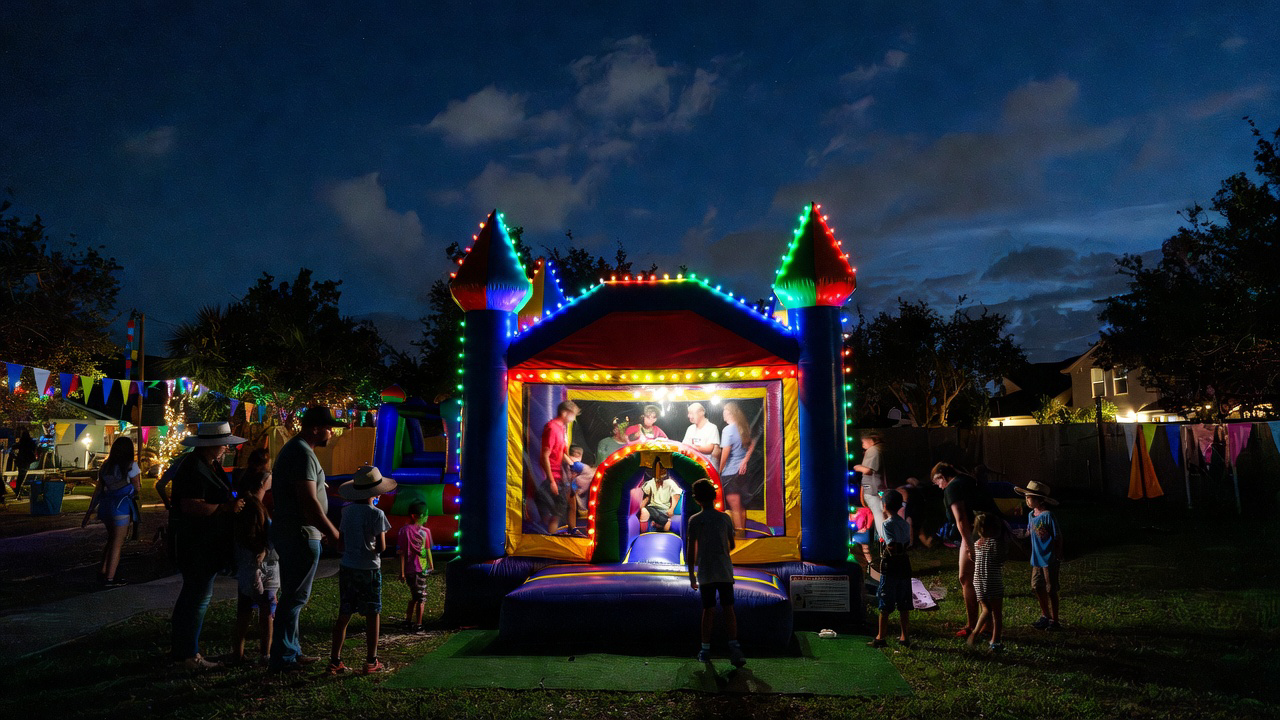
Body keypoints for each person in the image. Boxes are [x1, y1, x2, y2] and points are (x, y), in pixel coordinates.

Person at [269, 406, 345, 673]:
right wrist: (333, 532)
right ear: (314, 428)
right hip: (299, 532)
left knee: (295, 594)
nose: (331, 432)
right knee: (294, 596)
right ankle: (284, 656)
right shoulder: (302, 453)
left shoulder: (298, 450)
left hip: (296, 530)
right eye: (328, 427)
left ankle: (292, 650)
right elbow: (309, 501)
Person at [169, 422, 247, 671]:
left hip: (206, 542)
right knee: (197, 598)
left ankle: (183, 650)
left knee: (194, 596)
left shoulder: (208, 465)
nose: (227, 448)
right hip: (197, 544)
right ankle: (188, 655)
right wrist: (225, 507)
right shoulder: (194, 468)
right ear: (211, 444)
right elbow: (190, 505)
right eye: (224, 443)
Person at [327, 465, 395, 676]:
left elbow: (341, 544)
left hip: (348, 567)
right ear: (375, 492)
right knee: (372, 614)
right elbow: (381, 547)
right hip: (369, 569)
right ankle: (371, 660)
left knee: (344, 614)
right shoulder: (377, 514)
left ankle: (335, 660)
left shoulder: (346, 512)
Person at [930, 462, 1000, 639]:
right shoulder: (967, 480)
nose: (939, 487)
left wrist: (969, 546)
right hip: (989, 530)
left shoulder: (952, 488)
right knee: (974, 578)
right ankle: (981, 623)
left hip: (975, 533)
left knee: (970, 578)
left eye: (937, 482)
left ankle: (980, 625)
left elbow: (961, 519)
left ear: (942, 476)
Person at [685, 478, 745, 667]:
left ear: (696, 499)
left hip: (706, 572)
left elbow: (690, 552)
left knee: (708, 609)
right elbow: (731, 544)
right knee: (729, 609)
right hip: (724, 570)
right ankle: (735, 648)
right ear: (713, 496)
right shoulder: (725, 518)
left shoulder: (695, 520)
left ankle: (705, 650)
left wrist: (691, 576)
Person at [231, 449, 278, 665]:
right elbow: (271, 538)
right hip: (265, 569)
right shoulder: (260, 512)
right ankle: (265, 653)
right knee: (267, 609)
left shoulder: (239, 513)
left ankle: (238, 653)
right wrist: (265, 550)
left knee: (244, 609)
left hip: (245, 570)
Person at [81, 436, 143, 585]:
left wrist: (89, 511)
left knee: (111, 539)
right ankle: (110, 578)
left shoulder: (106, 466)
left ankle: (103, 572)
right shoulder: (131, 466)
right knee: (117, 543)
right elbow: (137, 487)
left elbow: (98, 489)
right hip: (121, 507)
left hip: (106, 506)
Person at [1016, 480, 1064, 631]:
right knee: (1037, 586)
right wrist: (1017, 533)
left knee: (1051, 589)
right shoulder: (1031, 515)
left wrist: (1058, 554)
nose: (1027, 500)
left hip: (1049, 558)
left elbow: (1057, 536)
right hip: (1036, 558)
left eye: (1029, 497)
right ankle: (1045, 615)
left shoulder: (1048, 516)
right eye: (1026, 497)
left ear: (1040, 500)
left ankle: (1055, 620)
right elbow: (1029, 531)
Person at [868, 491, 912, 648]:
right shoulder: (905, 524)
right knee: (904, 601)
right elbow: (907, 543)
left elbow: (892, 545)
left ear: (884, 505)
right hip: (905, 565)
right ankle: (904, 637)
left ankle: (881, 636)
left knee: (885, 600)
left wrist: (888, 551)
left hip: (891, 566)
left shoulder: (887, 524)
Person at [536, 400, 579, 535]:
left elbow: (561, 453)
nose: (573, 418)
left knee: (566, 505)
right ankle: (550, 537)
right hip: (554, 477)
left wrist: (572, 465)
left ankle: (570, 529)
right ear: (565, 413)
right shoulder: (552, 428)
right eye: (572, 415)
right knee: (556, 513)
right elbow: (545, 455)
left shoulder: (562, 428)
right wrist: (552, 481)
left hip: (561, 476)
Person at [969, 512, 1007, 652]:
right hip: (992, 581)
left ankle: (974, 633)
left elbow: (974, 559)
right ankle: (995, 641)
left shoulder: (976, 544)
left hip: (978, 582)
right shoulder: (995, 543)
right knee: (997, 614)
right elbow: (1000, 560)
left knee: (985, 609)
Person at [397, 499, 434, 633]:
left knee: (415, 596)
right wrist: (431, 565)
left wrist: (402, 572)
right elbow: (427, 549)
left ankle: (407, 621)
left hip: (410, 570)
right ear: (416, 516)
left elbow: (402, 552)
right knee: (421, 598)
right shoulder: (425, 532)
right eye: (425, 515)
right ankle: (418, 624)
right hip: (420, 569)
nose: (427, 517)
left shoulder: (403, 531)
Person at [717, 402, 752, 532]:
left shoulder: (728, 430)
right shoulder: (743, 427)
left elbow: (725, 452)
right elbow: (751, 444)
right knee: (741, 507)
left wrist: (719, 470)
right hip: (742, 472)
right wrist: (745, 460)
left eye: (725, 411)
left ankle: (739, 535)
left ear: (729, 413)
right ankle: (742, 532)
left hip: (730, 473)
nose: (723, 414)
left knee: (734, 507)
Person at [852, 431, 888, 541]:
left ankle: (884, 538)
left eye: (864, 442)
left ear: (871, 440)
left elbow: (868, 470)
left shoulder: (872, 450)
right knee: (882, 512)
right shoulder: (881, 449)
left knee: (878, 513)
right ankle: (885, 537)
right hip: (880, 487)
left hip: (872, 488)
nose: (862, 445)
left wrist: (858, 467)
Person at [637, 463, 683, 532]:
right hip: (652, 508)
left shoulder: (670, 483)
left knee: (665, 524)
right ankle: (659, 526)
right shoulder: (651, 482)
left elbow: (676, 495)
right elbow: (647, 497)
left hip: (664, 510)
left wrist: (672, 509)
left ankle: (662, 524)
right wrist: (641, 507)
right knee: (645, 511)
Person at [566, 445, 594, 517]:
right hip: (580, 488)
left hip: (578, 488)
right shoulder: (577, 464)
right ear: (579, 455)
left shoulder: (572, 463)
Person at [12, 429, 37, 499]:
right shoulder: (31, 443)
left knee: (20, 476)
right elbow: (34, 448)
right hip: (27, 461)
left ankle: (18, 491)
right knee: (25, 476)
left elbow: (14, 447)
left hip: (21, 461)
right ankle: (22, 490)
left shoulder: (21, 443)